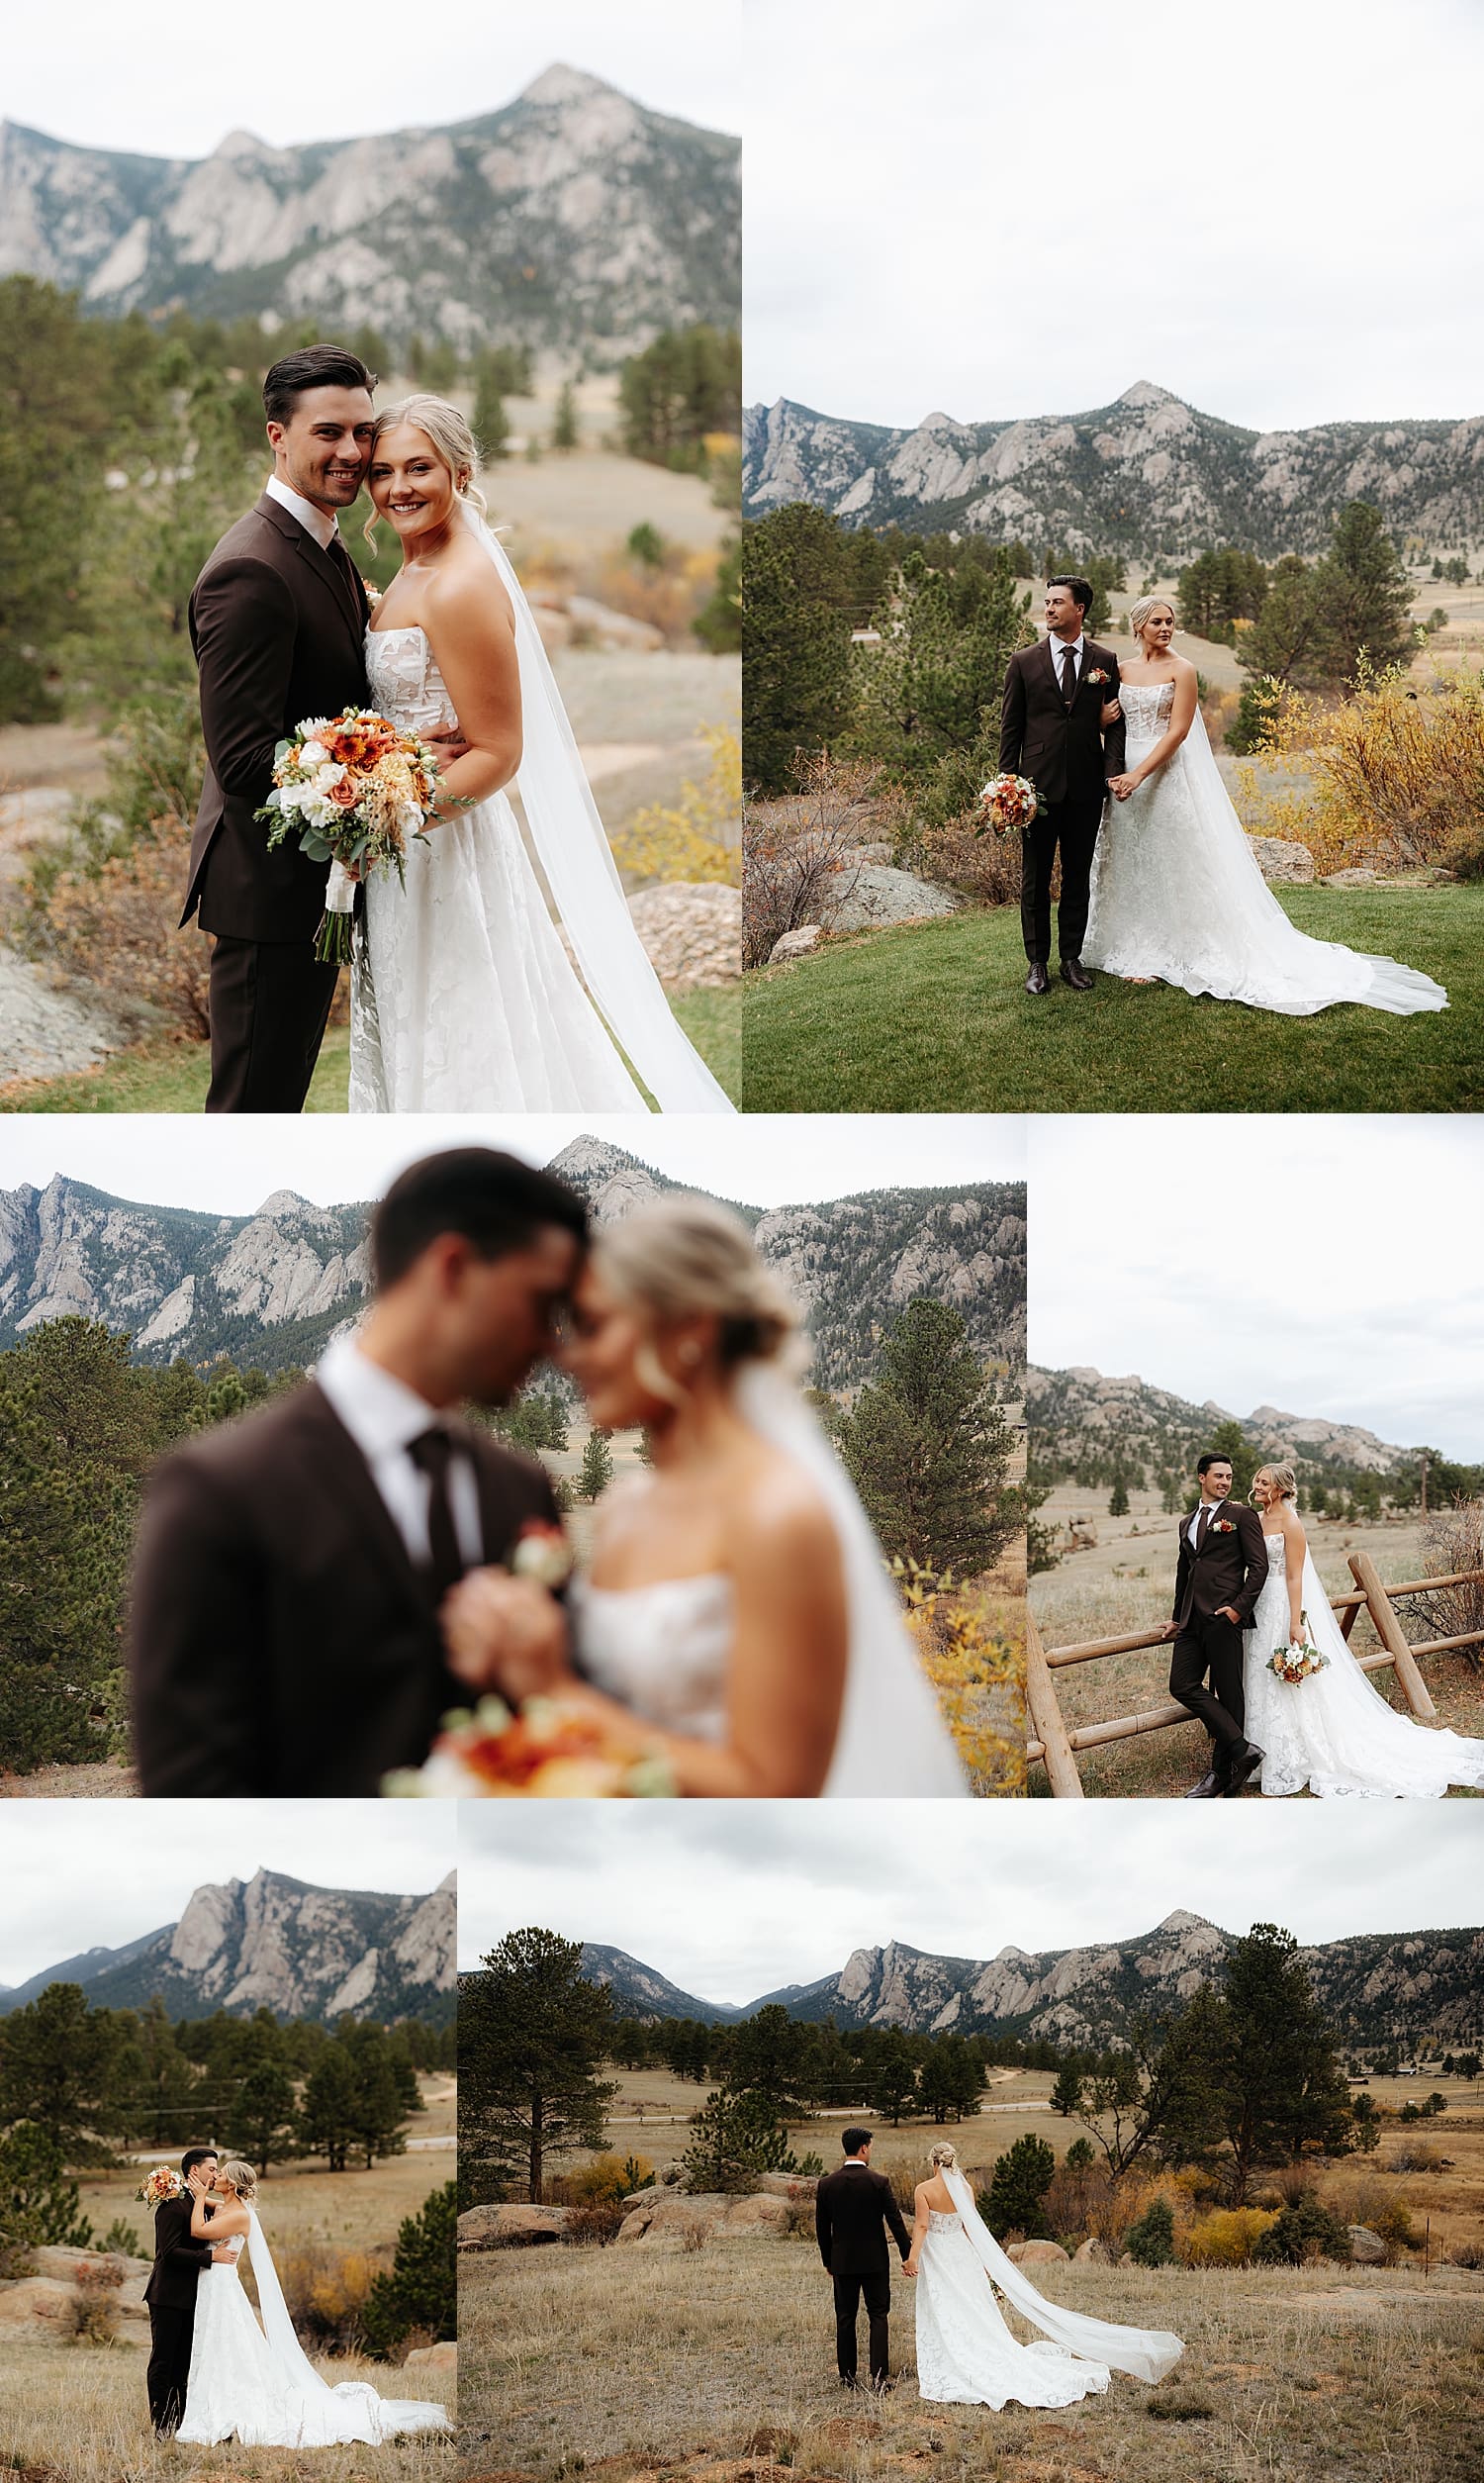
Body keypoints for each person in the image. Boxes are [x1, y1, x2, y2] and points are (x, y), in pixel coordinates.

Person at [440, 1194, 971, 1796]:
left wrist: (557, 1693)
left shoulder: (777, 1514)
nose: (569, 1356)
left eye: (593, 1326)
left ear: (689, 1327)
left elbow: (775, 1788)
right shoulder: (620, 1510)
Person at [130, 1148, 588, 1795]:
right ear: (453, 1268)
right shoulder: (219, 1492)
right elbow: (190, 1788)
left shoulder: (520, 1487)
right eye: (542, 1302)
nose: (552, 1341)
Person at [349, 395, 734, 1111]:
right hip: (409, 840)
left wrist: (386, 826)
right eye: (382, 470)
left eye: (419, 467)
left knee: (464, 1039)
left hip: (440, 847)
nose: (397, 486)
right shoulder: (417, 566)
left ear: (460, 472)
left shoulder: (459, 583)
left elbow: (497, 751)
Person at [1081, 598, 1447, 1013]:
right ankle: (1134, 943)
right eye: (1157, 622)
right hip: (1122, 774)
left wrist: (1140, 774)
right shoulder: (1122, 671)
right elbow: (1109, 719)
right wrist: (1103, 726)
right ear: (1138, 626)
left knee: (1174, 859)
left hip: (1161, 773)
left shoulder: (1181, 669)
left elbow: (1179, 731)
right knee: (1132, 860)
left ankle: (1179, 946)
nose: (1166, 628)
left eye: (1170, 622)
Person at [1244, 1463, 1484, 1796]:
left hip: (1283, 1604)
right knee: (1260, 1674)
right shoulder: (1255, 1520)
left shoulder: (1291, 1522)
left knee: (1290, 1681)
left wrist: (1296, 1622)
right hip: (1258, 1604)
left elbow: (1295, 1575)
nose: (1256, 1485)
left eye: (1263, 1482)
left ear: (1281, 1489)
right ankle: (1258, 1752)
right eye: (1256, 1480)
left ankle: (1293, 1752)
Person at [175, 2160, 447, 2445]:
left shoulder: (239, 2215)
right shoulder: (225, 2207)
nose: (215, 2176)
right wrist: (188, 2190)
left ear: (231, 2183)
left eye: (220, 2174)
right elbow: (210, 2205)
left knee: (230, 2341)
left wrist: (202, 2196)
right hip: (212, 2283)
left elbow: (197, 2230)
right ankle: (217, 2399)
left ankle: (235, 2405)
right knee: (219, 2342)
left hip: (223, 2286)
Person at [904, 2141, 1183, 2407]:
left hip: (939, 2255)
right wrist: (984, 2263)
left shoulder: (924, 2189)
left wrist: (912, 2259)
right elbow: (970, 2228)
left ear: (933, 2162)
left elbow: (922, 2226)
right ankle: (968, 2352)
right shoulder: (964, 2189)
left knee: (945, 2306)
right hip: (963, 2255)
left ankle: (955, 2358)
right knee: (973, 2307)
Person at [998, 576, 1126, 994]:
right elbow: (1011, 730)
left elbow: (1115, 725)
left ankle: (1071, 960)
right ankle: (1037, 964)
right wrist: (1007, 786)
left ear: (1080, 609)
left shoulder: (1104, 661)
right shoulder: (1023, 662)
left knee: (1077, 877)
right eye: (1047, 602)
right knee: (1034, 879)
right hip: (1035, 792)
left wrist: (1111, 772)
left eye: (1057, 602)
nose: (1049, 609)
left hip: (1087, 789)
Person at [1162, 1453, 1269, 1797]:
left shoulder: (1241, 1515)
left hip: (1225, 1618)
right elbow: (1185, 1573)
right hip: (1192, 1621)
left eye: (1229, 1477)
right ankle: (1243, 1751)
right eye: (1219, 1476)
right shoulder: (1186, 1522)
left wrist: (1238, 1609)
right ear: (1201, 1478)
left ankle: (1220, 1775)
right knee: (1181, 1685)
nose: (1225, 1481)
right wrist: (1178, 1617)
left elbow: (1259, 1567)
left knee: (1229, 1693)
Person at [143, 2148, 232, 2434]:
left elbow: (224, 2208)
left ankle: (180, 2422)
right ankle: (161, 2425)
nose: (216, 2174)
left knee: (184, 2363)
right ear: (194, 2171)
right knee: (164, 2360)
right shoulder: (172, 2204)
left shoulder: (197, 2200)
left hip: (193, 2296)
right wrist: (210, 2258)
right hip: (168, 2295)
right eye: (212, 2169)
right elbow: (169, 2252)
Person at [814, 2130, 912, 2390]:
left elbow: (822, 2229)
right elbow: (895, 2222)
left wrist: (828, 2261)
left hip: (842, 2262)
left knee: (845, 2316)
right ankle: (880, 2378)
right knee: (878, 2315)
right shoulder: (879, 2182)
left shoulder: (827, 2184)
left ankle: (847, 2377)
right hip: (875, 2262)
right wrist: (907, 2255)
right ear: (864, 2148)